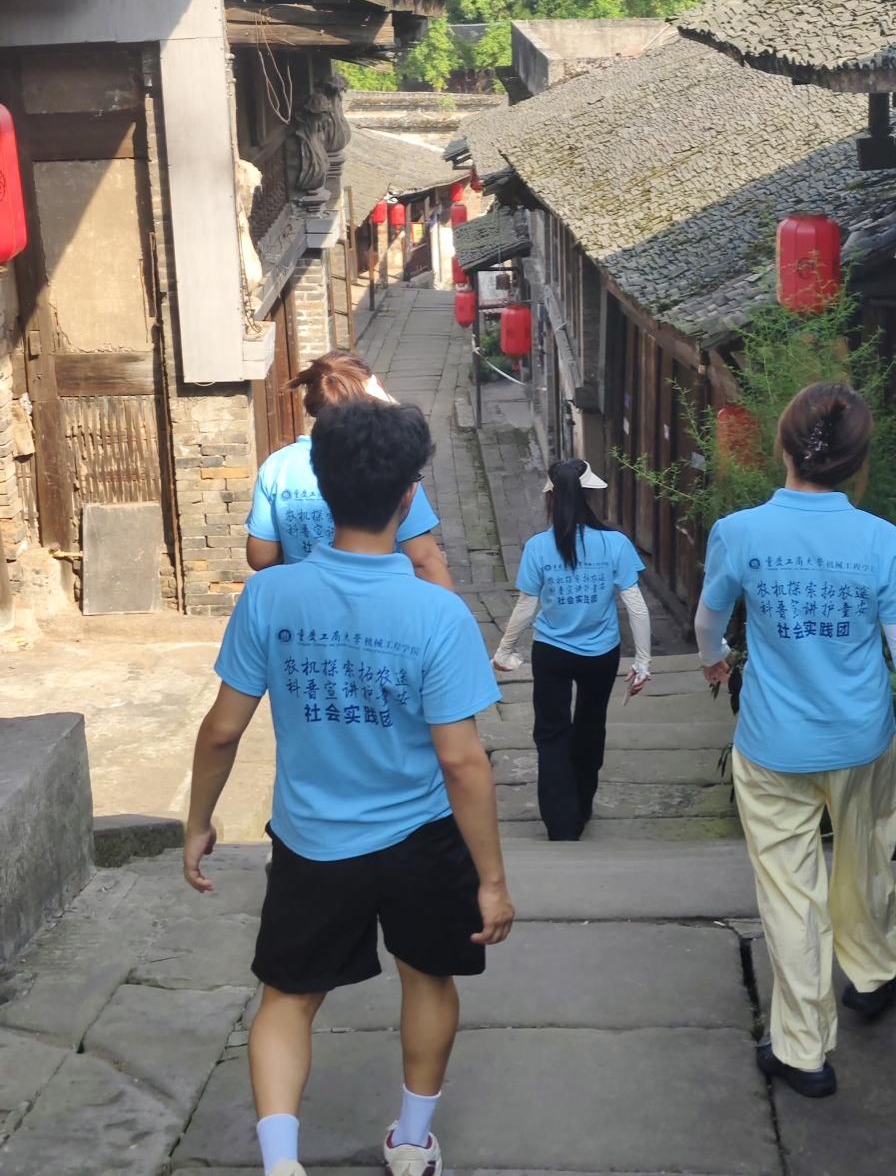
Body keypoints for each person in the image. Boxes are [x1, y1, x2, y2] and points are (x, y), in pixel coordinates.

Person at [184, 401, 513, 1176]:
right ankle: (411, 1142)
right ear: (409, 495)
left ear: (323, 487)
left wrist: (197, 820)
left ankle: (281, 1164)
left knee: (287, 996)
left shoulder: (270, 596)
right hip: (420, 836)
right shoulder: (439, 614)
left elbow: (222, 728)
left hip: (311, 839)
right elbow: (463, 762)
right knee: (427, 977)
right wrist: (493, 879)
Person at [695, 381, 896, 1100]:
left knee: (792, 897)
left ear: (782, 444)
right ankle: (874, 974)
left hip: (772, 748)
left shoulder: (740, 532)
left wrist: (714, 659)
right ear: (857, 463)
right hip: (863, 741)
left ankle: (804, 1051)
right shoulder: (880, 541)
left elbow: (708, 620)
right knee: (865, 861)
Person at [492, 459, 652, 841]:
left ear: (551, 497)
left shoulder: (538, 547)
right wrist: (643, 662)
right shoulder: (615, 543)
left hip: (552, 652)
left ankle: (561, 824)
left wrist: (504, 650)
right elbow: (636, 605)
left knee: (551, 735)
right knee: (591, 727)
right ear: (588, 495)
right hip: (601, 654)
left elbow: (526, 605)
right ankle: (582, 805)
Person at [246, 351, 452, 590]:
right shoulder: (387, 458)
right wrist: (450, 607)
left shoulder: (278, 465)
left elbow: (260, 556)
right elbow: (424, 559)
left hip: (307, 598)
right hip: (383, 595)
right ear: (371, 398)